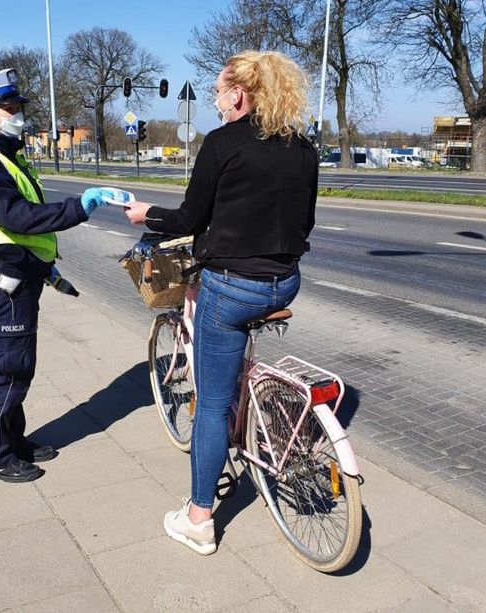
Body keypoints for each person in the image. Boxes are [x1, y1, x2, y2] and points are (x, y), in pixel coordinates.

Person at [125, 51, 317, 554]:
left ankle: (198, 518)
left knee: (211, 403)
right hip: (286, 281)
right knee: (229, 345)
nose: (215, 101)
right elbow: (303, 223)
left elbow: (190, 217)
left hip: (234, 287)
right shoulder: (304, 147)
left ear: (238, 92)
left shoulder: (223, 143)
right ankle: (253, 408)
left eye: (218, 92)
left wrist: (148, 214)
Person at [0, 68, 112, 483]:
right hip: (3, 283)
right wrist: (78, 209)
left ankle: (14, 440)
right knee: (7, 369)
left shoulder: (4, 155)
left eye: (18, 107)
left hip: (19, 276)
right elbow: (16, 217)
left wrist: (45, 266)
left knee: (18, 366)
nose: (16, 114)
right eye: (8, 107)